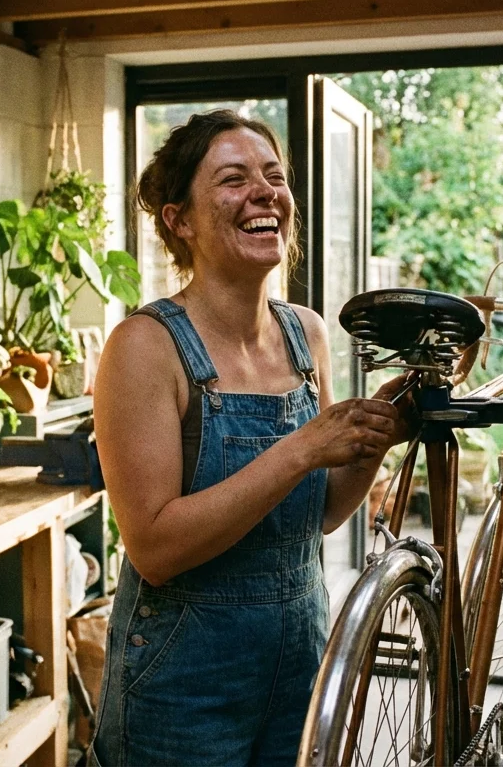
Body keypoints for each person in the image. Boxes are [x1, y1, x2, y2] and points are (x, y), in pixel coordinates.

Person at [91, 109, 413, 766]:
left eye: (273, 176)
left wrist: (374, 432)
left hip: (300, 661)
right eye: (234, 180)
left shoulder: (307, 335)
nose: (266, 192)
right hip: (184, 684)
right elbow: (154, 547)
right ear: (178, 219)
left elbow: (319, 513)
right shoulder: (145, 346)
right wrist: (301, 448)